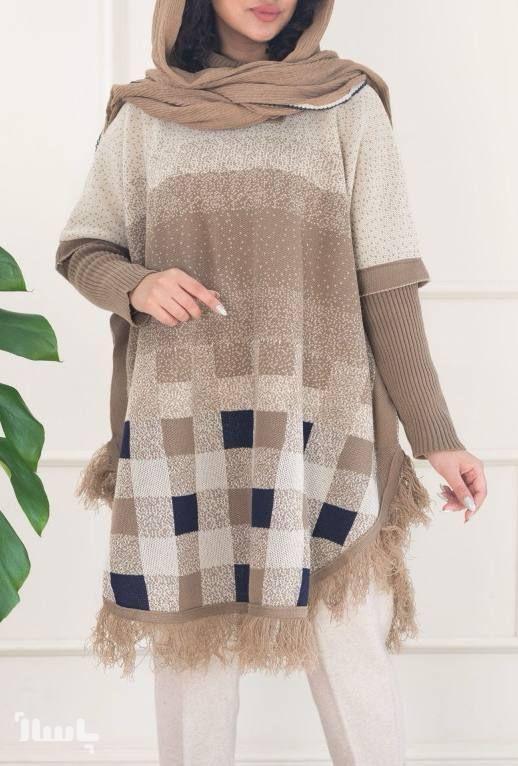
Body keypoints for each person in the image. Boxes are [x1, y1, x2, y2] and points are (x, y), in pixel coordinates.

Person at [54, 0, 487, 763]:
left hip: (321, 425)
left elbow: (388, 284)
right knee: (195, 662)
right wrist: (139, 284)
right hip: (183, 422)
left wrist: (437, 436)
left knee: (351, 657)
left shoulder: (346, 106)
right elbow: (85, 247)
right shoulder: (147, 117)